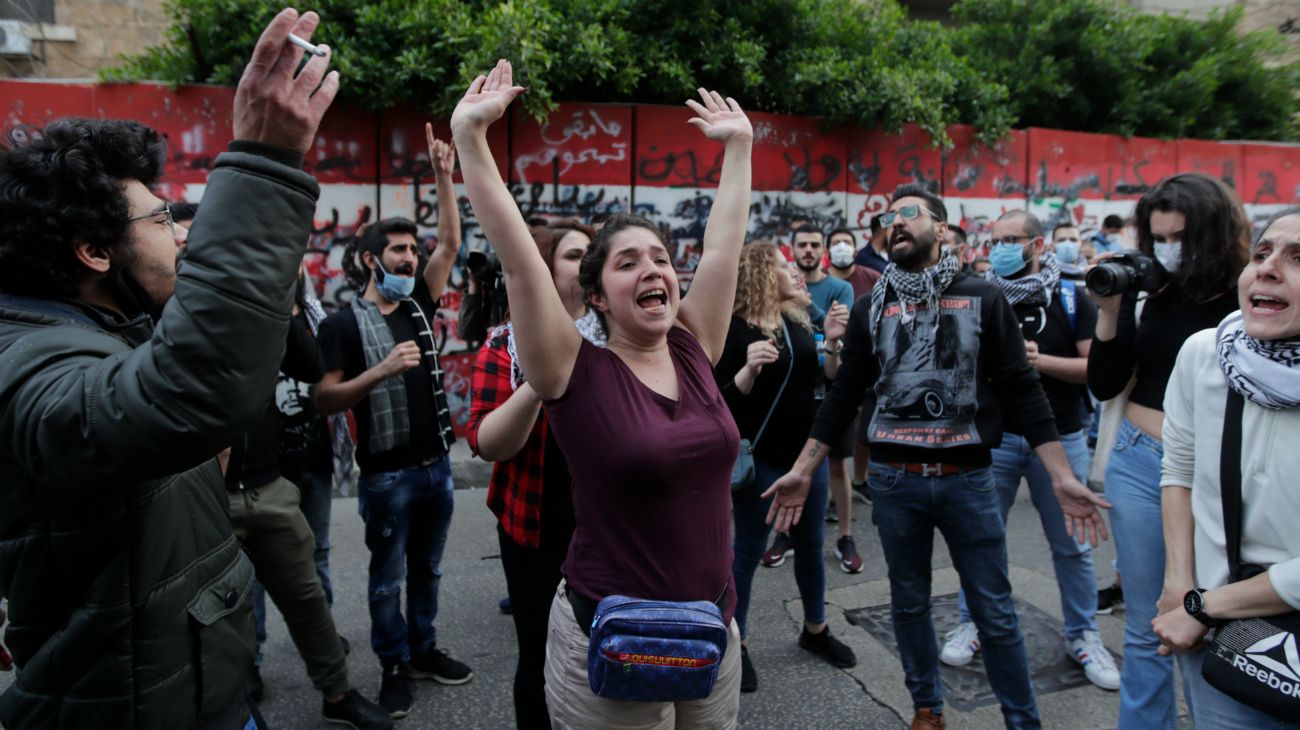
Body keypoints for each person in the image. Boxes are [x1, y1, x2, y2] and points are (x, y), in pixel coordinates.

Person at [0, 9, 339, 728]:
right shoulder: (29, 359)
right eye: (160, 221)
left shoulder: (109, 330)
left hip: (193, 691)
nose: (179, 234)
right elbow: (190, 393)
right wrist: (265, 161)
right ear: (94, 251)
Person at [452, 60, 752, 728]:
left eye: (660, 258)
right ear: (596, 297)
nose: (652, 268)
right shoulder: (570, 369)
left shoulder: (692, 345)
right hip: (612, 637)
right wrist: (470, 138)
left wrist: (739, 148)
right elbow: (517, 256)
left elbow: (725, 247)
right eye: (628, 262)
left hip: (713, 627)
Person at [765, 184, 1110, 730]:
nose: (894, 222)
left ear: (942, 230)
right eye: (887, 216)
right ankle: (927, 709)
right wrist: (803, 470)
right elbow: (844, 395)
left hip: (969, 481)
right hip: (895, 484)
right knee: (909, 606)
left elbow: (1022, 388)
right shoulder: (869, 308)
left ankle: (1024, 722)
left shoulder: (983, 296)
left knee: (994, 613)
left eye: (909, 213)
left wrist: (1062, 474)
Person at [315, 130, 469, 719]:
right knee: (386, 579)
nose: (409, 257)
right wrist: (379, 371)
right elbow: (325, 400)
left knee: (428, 568)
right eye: (397, 250)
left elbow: (451, 241)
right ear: (369, 260)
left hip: (436, 470)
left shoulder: (418, 304)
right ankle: (393, 665)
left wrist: (442, 174)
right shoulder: (342, 324)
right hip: (385, 477)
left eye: (412, 248)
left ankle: (424, 649)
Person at [1086, 172, 1249, 730]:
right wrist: (1110, 309)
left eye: (1180, 237)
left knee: (1208, 616)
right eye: (1158, 239)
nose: (1169, 251)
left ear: (1214, 232)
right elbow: (1106, 384)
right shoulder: (1146, 288)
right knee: (1146, 624)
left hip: (1215, 471)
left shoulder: (1249, 294)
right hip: (1137, 458)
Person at [939, 211, 1119, 691]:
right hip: (994, 441)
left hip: (1061, 440)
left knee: (1073, 547)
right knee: (979, 539)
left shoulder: (1070, 295)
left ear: (1036, 244)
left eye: (1010, 240)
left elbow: (1092, 371)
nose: (999, 247)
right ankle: (971, 621)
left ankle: (1084, 636)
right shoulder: (978, 294)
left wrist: (1040, 361)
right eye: (994, 240)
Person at [1153, 207, 1300, 730]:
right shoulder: (1204, 354)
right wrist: (1179, 583)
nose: (1268, 268)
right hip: (1217, 638)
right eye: (1262, 253)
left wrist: (1202, 604)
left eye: (1298, 258)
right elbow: (1180, 469)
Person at [467, 221, 602, 730]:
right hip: (537, 530)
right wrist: (544, 373)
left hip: (611, 531)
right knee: (541, 655)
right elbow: (486, 443)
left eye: (594, 253)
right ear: (543, 270)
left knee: (609, 649)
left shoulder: (623, 341)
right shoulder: (505, 347)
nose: (587, 261)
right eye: (573, 255)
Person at [718, 241, 854, 695]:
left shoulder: (798, 319)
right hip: (760, 460)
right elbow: (716, 402)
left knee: (812, 546)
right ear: (759, 274)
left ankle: (815, 630)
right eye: (782, 265)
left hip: (804, 459)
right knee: (748, 552)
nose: (793, 271)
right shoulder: (732, 330)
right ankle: (736, 644)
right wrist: (748, 372)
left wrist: (832, 340)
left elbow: (828, 379)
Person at [783, 224, 861, 570]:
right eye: (803, 245)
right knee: (791, 462)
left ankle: (845, 536)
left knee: (837, 465)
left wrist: (807, 307)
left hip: (832, 386)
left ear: (823, 250)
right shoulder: (783, 286)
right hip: (795, 386)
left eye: (815, 245)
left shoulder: (839, 288)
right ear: (793, 249)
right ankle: (784, 532)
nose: (809, 250)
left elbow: (835, 331)